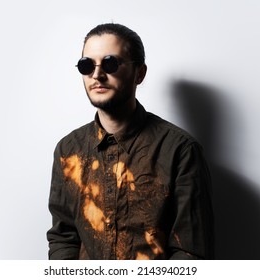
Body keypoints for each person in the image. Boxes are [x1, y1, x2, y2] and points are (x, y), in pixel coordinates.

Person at [47, 23, 214, 260]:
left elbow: (191, 252)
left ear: (139, 73)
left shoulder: (180, 150)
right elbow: (63, 238)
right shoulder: (68, 150)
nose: (96, 75)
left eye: (110, 63)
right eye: (86, 65)